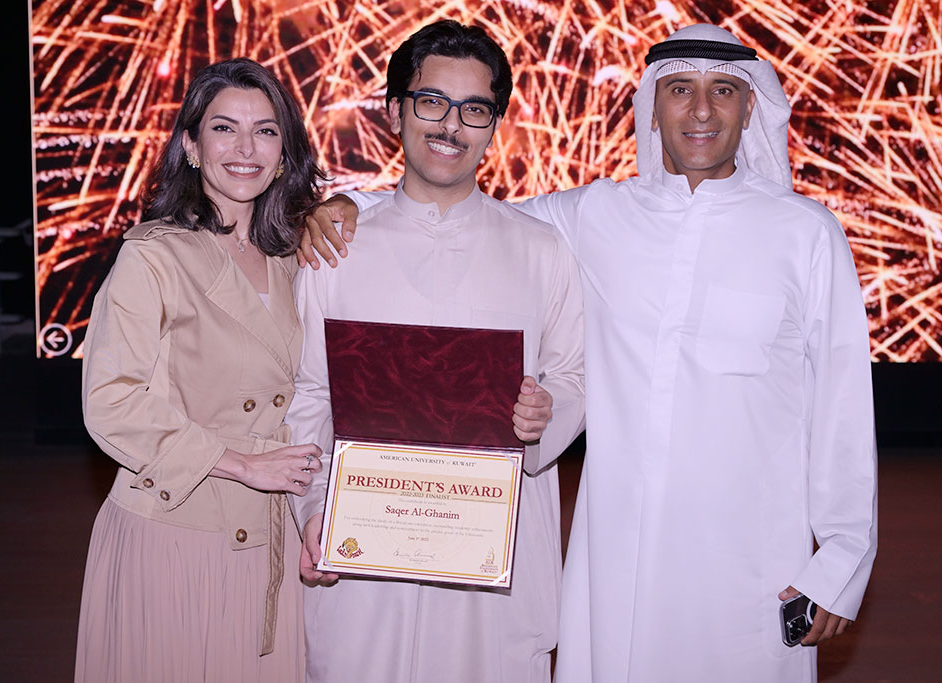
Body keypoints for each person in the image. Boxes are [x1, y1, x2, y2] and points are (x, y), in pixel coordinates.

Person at [301, 23, 878, 683]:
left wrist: (841, 559)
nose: (701, 110)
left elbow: (841, 404)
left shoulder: (806, 234)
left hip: (750, 557)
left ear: (751, 108)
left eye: (723, 90)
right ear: (651, 107)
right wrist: (346, 203)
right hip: (615, 559)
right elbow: (455, 206)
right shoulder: (597, 214)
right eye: (680, 90)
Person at [286, 20, 585, 683]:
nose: (451, 126)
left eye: (474, 109)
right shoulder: (337, 249)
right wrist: (312, 509)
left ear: (494, 125)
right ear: (395, 110)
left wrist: (547, 412)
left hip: (493, 558)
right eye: (432, 102)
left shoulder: (541, 251)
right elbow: (308, 393)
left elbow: (574, 375)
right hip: (363, 552)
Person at [76, 58, 327, 682]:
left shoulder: (293, 259)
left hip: (270, 533)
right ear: (190, 145)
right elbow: (111, 401)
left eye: (265, 131)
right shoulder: (153, 256)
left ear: (284, 151)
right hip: (176, 531)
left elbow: (308, 397)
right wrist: (241, 463)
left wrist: (312, 515)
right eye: (224, 128)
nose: (245, 149)